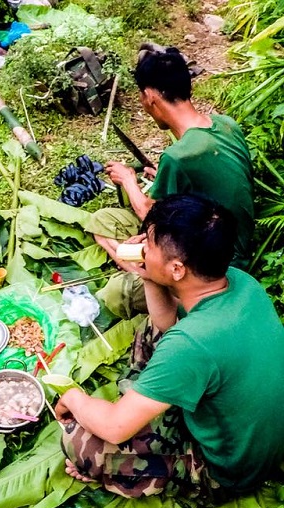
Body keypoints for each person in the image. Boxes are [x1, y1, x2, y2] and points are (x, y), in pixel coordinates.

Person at [57, 195, 284, 499]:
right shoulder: (240, 282)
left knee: (79, 444)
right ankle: (147, 401)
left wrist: (72, 398)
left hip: (229, 469)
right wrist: (149, 276)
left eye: (149, 244)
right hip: (247, 427)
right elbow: (166, 326)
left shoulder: (191, 343)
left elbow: (114, 428)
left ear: (177, 269)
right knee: (151, 328)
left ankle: (126, 461)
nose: (141, 248)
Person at [87, 45, 254, 316]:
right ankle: (135, 261)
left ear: (151, 96)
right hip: (218, 234)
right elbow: (216, 184)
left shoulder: (179, 157)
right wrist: (161, 177)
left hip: (214, 265)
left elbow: (149, 213)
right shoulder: (226, 125)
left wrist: (129, 180)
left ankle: (145, 274)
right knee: (103, 220)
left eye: (142, 97)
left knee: (116, 294)